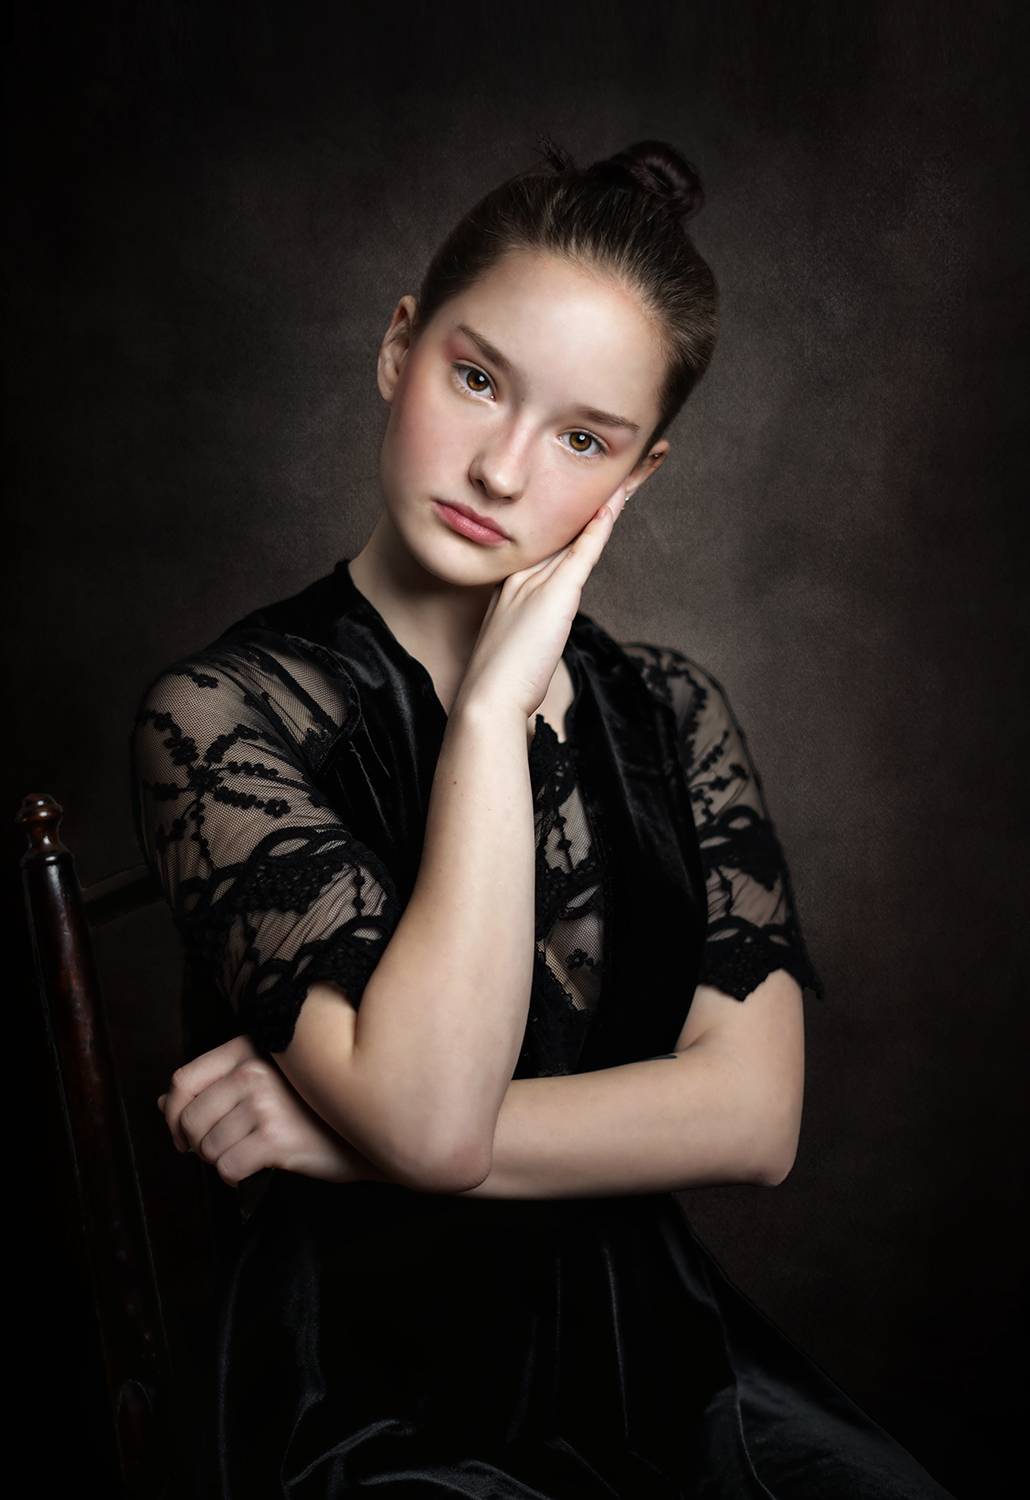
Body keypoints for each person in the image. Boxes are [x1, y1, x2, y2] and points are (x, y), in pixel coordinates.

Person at [131, 137, 956, 1498]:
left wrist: (344, 1140)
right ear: (399, 346)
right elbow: (433, 1126)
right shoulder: (221, 715)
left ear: (640, 473)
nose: (503, 472)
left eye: (581, 437)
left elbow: (754, 1118)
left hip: (652, 1346)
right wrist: (485, 719)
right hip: (371, 1391)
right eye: (476, 379)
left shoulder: (673, 709)